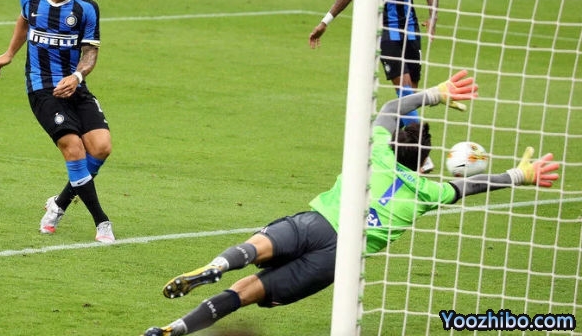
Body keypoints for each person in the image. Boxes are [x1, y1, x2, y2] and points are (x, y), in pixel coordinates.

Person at [141, 71, 559, 336]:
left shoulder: (375, 152)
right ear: (425, 163)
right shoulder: (429, 192)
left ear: (393, 145)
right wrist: (519, 175)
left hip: (318, 223)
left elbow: (392, 107)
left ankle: (216, 265)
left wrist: (436, 93)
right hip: (336, 259)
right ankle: (175, 329)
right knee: (245, 292)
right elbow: (472, 186)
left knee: (255, 248)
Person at [0, 0, 115, 243]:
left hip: (74, 85)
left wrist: (77, 76)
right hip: (41, 87)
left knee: (101, 147)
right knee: (74, 149)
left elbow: (90, 53)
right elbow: (24, 21)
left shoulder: (86, 8)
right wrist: (9, 53)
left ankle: (59, 202)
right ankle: (102, 222)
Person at [309, 0, 438, 172]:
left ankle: (402, 155)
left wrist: (433, 15)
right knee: (404, 90)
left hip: (410, 32)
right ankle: (422, 154)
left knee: (408, 98)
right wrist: (325, 22)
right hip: (385, 34)